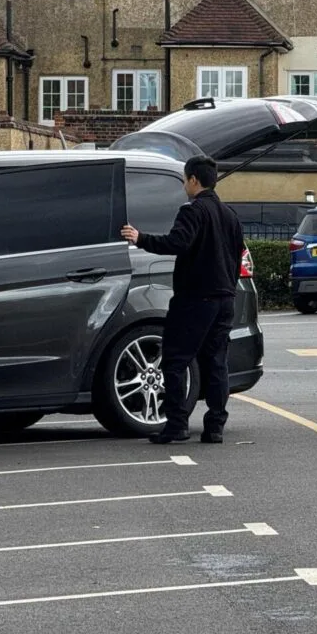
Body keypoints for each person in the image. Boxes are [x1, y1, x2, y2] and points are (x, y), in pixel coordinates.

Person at [121, 155, 243, 444]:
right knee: (216, 362)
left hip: (196, 298)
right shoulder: (230, 215)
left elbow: (177, 243)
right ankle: (215, 426)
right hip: (225, 298)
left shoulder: (192, 211)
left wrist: (140, 238)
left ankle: (177, 424)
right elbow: (237, 254)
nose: (184, 186)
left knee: (175, 360)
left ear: (193, 180)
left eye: (185, 180)